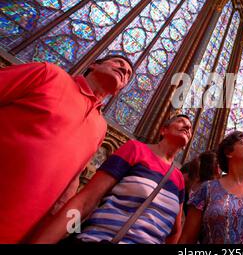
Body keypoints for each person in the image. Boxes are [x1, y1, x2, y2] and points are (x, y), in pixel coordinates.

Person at [0, 55, 133, 243]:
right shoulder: (49, 74)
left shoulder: (100, 127)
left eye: (128, 74)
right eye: (118, 63)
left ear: (119, 91)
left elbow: (73, 175)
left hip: (20, 227)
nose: (124, 70)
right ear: (93, 64)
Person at [30, 114, 192, 244]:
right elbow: (84, 201)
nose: (187, 126)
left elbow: (175, 231)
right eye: (180, 121)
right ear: (163, 130)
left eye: (190, 128)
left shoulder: (178, 179)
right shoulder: (136, 149)